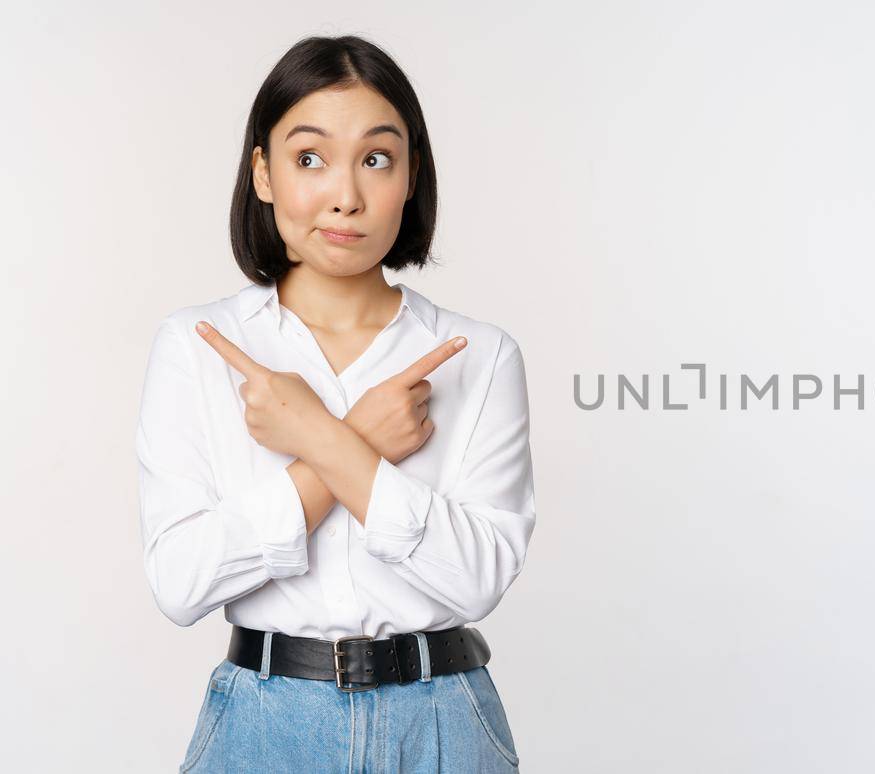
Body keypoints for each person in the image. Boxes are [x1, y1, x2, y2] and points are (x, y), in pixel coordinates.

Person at [134, 35, 534, 773]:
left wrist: (318, 437)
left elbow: (478, 582)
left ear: (411, 176)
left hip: (443, 719)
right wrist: (350, 442)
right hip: (264, 720)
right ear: (263, 173)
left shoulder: (481, 355)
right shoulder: (197, 346)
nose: (345, 194)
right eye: (309, 158)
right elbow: (181, 583)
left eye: (377, 158)